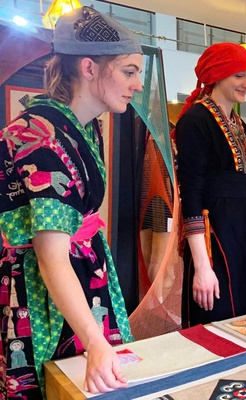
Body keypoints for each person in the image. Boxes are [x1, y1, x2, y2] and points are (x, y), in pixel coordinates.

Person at [0, 6, 142, 397]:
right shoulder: (41, 136)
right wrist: (94, 340)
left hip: (84, 273)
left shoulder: (84, 127)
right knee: (56, 384)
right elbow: (51, 256)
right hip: (43, 287)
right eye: (129, 71)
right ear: (89, 68)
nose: (137, 84)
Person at [175, 42, 246, 327]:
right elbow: (191, 193)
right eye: (239, 75)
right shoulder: (195, 120)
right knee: (216, 316)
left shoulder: (240, 125)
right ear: (217, 75)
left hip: (243, 231)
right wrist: (202, 266)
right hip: (214, 236)